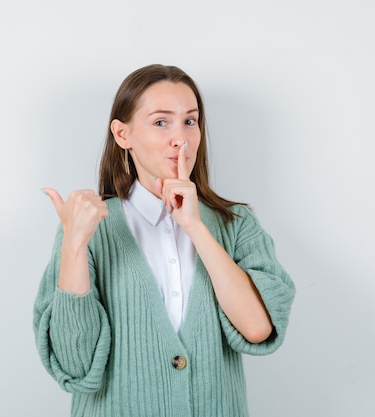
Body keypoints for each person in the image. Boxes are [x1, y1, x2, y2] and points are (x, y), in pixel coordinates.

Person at [33, 64, 295, 417]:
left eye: (190, 121)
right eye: (161, 122)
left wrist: (196, 227)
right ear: (122, 135)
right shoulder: (88, 228)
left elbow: (258, 329)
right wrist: (74, 246)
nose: (181, 138)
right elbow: (75, 365)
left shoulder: (237, 224)